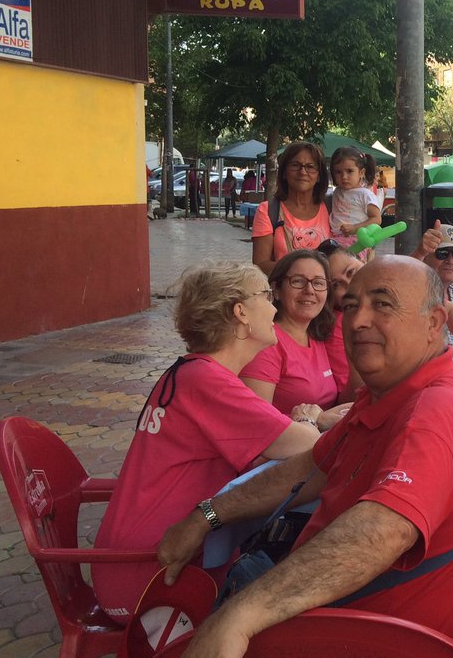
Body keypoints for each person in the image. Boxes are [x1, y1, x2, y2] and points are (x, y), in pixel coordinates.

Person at [158, 257, 453, 658]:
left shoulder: (435, 411)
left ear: (434, 323)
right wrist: (208, 515)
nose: (358, 320)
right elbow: (303, 470)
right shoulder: (383, 397)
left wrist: (239, 617)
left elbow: (380, 530)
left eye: (383, 305)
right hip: (356, 631)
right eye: (353, 304)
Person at [91, 262, 319, 623]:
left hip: (149, 562)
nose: (275, 305)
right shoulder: (208, 381)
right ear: (240, 312)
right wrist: (308, 418)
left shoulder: (191, 371)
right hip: (155, 574)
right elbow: (308, 444)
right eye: (265, 294)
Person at [241, 250, 353, 428]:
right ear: (276, 290)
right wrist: (316, 420)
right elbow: (254, 424)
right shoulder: (267, 343)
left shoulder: (317, 336)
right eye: (298, 281)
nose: (309, 290)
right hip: (284, 452)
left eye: (318, 283)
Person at [251, 142, 332, 275]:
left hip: (326, 295)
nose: (302, 172)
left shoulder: (332, 209)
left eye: (310, 167)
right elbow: (260, 267)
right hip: (285, 294)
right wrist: (305, 267)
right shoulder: (267, 211)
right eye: (295, 165)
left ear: (319, 176)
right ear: (283, 172)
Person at [318, 239, 365, 401]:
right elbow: (351, 396)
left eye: (351, 272)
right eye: (336, 285)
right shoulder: (338, 326)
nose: (350, 286)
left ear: (363, 262)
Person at [328, 146, 381, 252]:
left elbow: (377, 219)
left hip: (356, 240)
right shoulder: (337, 191)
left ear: (361, 172)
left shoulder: (365, 195)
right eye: (338, 172)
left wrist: (355, 228)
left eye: (349, 171)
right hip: (335, 239)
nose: (344, 176)